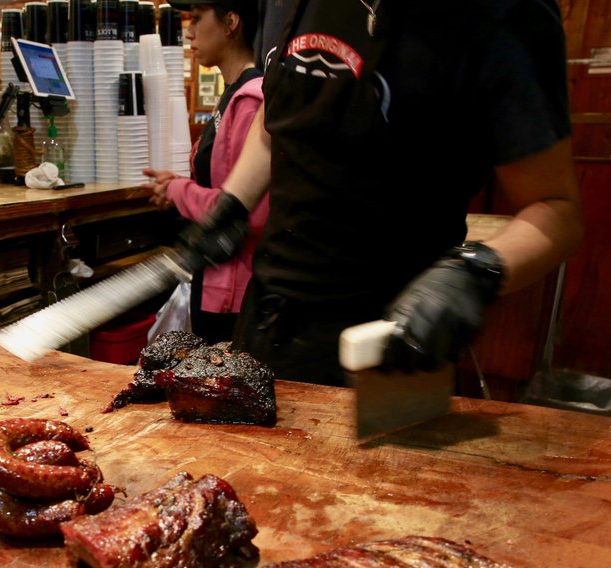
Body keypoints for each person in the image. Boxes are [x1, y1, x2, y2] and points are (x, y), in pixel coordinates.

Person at [178, 0, 584, 386]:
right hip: (266, 327)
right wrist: (234, 201)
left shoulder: (502, 13)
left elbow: (556, 208)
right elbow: (278, 117)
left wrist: (477, 273)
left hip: (391, 350)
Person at [143, 0, 268, 343]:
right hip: (214, 280)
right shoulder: (231, 96)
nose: (189, 32)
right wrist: (181, 185)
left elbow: (247, 213)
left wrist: (178, 192)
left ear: (231, 21)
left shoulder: (250, 101)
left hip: (234, 294)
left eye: (198, 19)